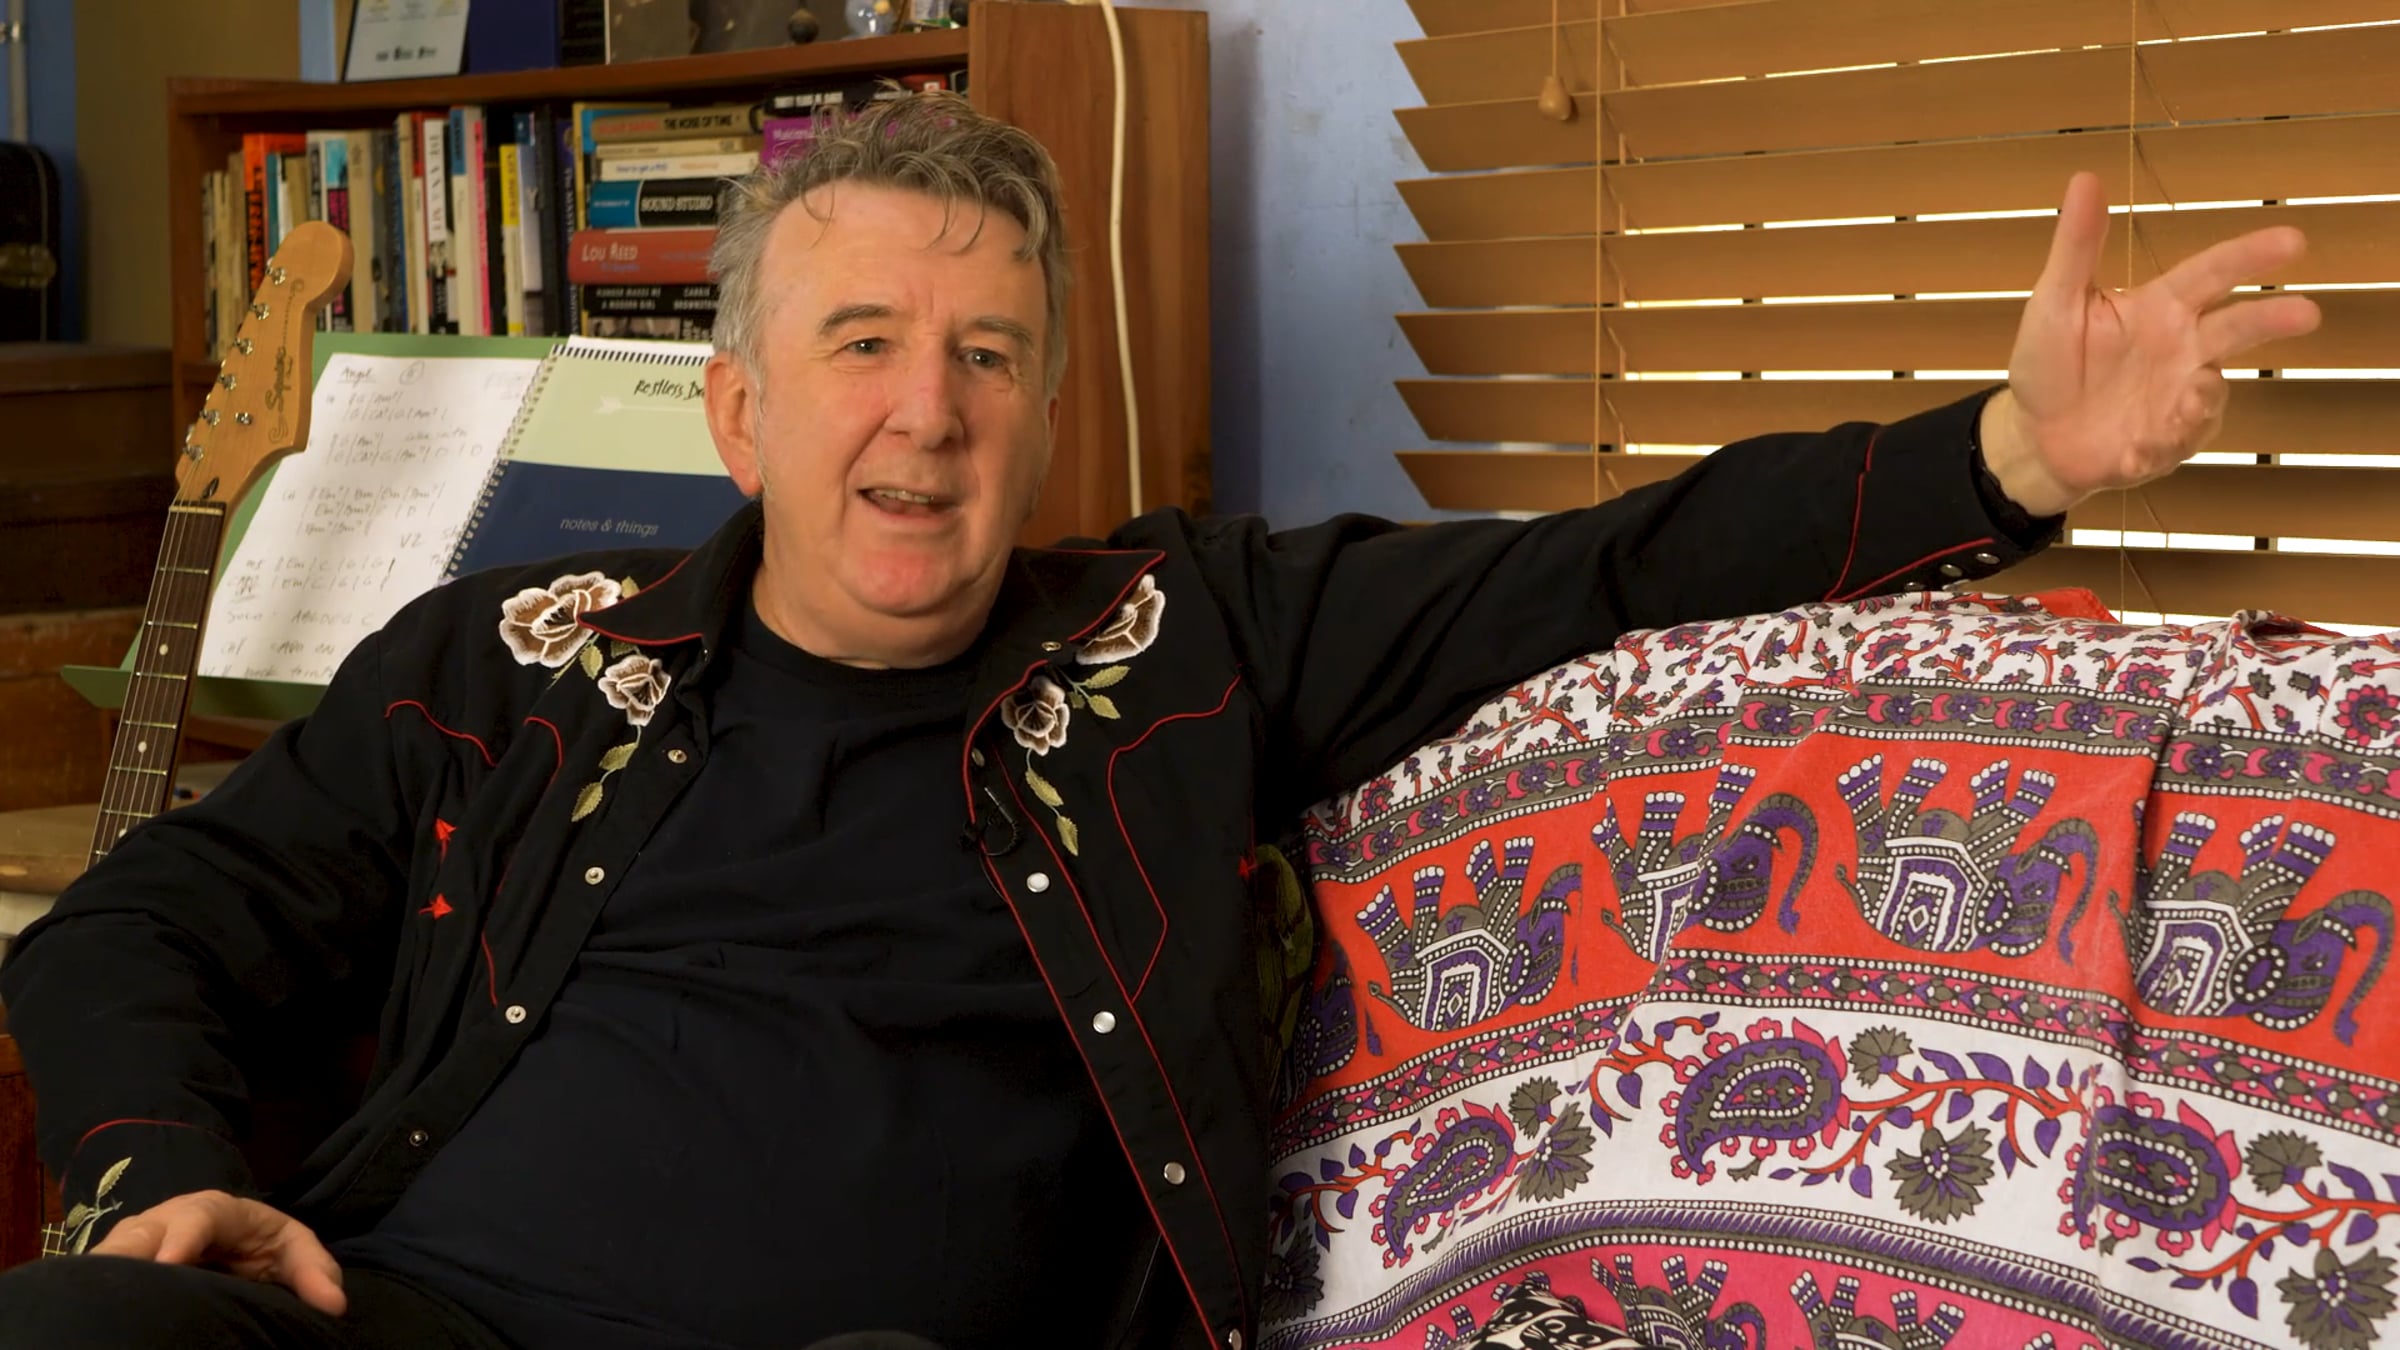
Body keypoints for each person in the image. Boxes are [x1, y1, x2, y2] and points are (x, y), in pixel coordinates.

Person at [0, 90, 2319, 1350]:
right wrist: (154, 1171)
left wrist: (2008, 456)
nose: (927, 412)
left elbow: (1608, 568)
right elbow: (138, 922)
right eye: (862, 347)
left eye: (988, 355)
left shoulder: (1181, 641)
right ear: (738, 408)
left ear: (1044, 409)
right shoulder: (513, 660)